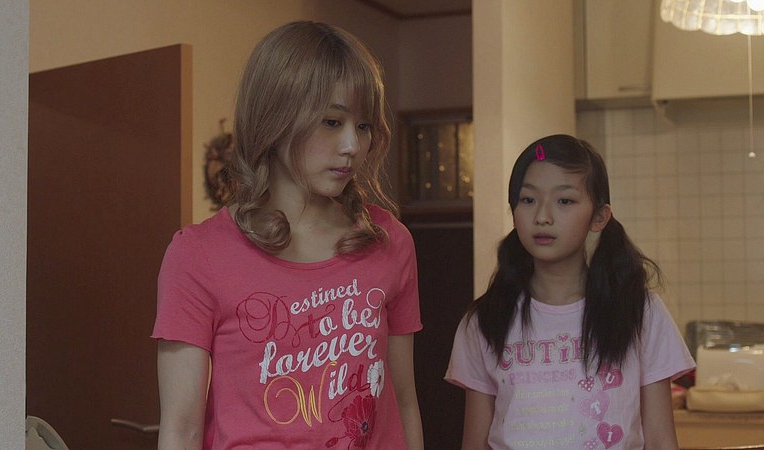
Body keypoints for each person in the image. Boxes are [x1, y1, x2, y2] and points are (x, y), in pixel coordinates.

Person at [153, 21, 423, 450]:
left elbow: (404, 403)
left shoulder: (390, 242)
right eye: (332, 121)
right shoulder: (197, 254)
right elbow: (180, 430)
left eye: (364, 126)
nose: (352, 145)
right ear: (274, 119)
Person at [446, 134, 695, 449]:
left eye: (564, 201)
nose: (542, 216)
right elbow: (475, 444)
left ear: (599, 217)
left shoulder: (641, 312)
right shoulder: (485, 320)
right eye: (528, 200)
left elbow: (660, 440)